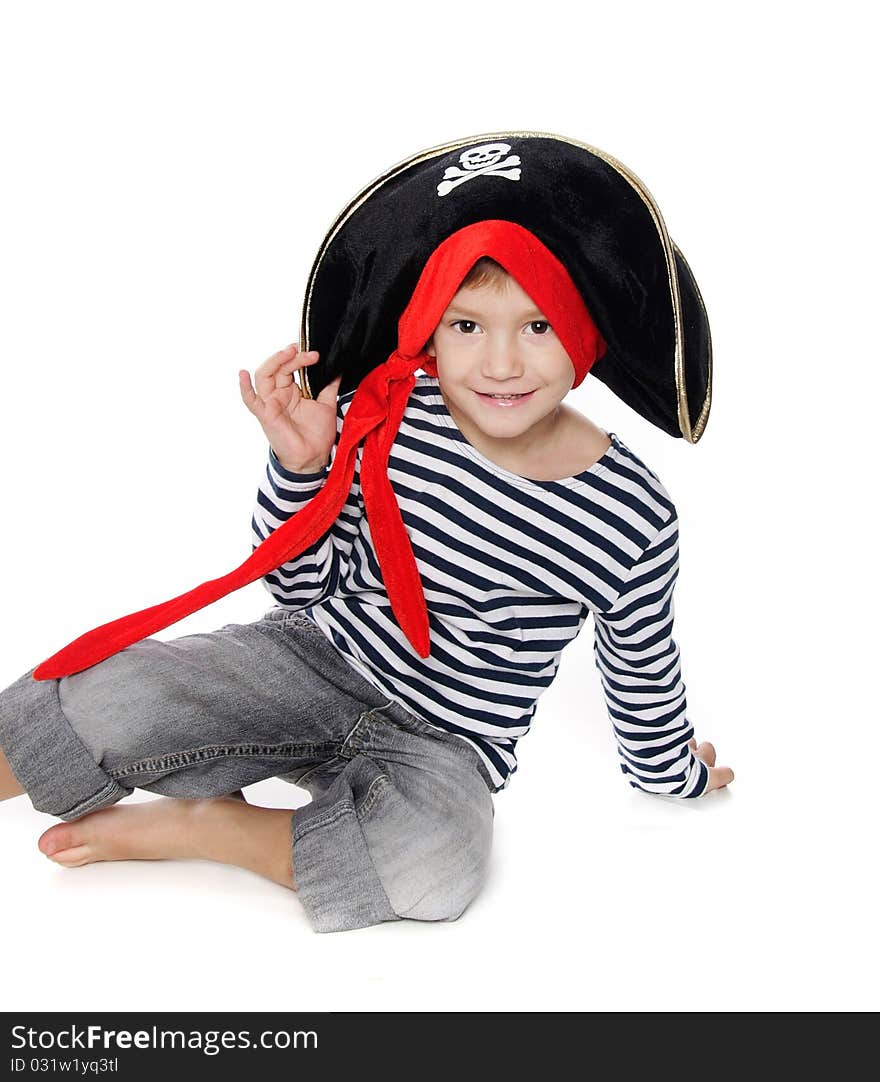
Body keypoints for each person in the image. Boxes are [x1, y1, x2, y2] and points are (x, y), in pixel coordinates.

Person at [0, 135, 734, 934]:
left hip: (448, 740)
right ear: (426, 328)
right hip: (309, 662)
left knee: (434, 863)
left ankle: (217, 827)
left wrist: (672, 776)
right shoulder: (388, 416)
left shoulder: (630, 513)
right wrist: (303, 469)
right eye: (466, 325)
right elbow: (299, 585)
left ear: (585, 334)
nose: (499, 363)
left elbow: (641, 665)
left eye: (536, 327)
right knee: (116, 692)